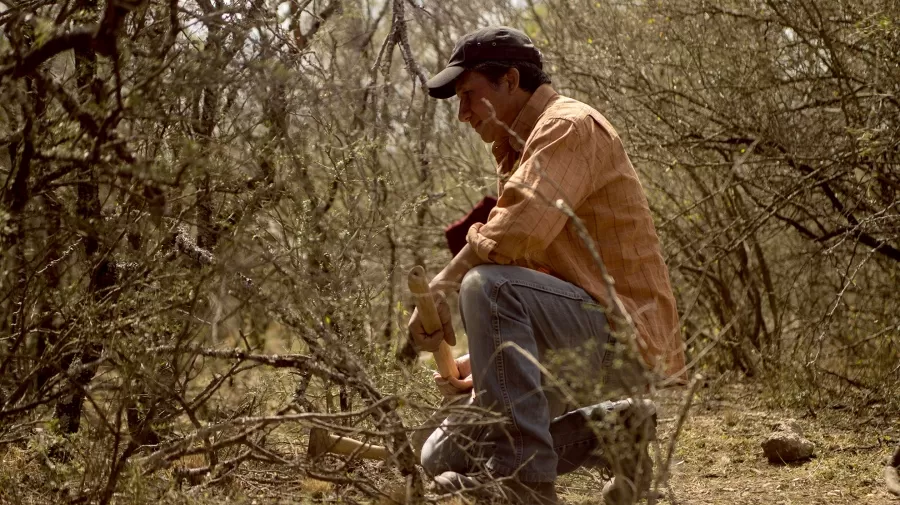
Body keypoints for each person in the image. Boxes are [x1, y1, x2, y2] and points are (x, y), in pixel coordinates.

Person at [407, 26, 685, 505]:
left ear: (510, 81)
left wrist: (441, 286)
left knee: (487, 286)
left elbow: (514, 236)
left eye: (469, 95)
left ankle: (527, 483)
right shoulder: (519, 148)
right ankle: (617, 430)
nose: (462, 114)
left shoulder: (568, 126)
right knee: (439, 458)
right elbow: (541, 281)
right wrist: (492, 356)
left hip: (622, 341)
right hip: (575, 337)